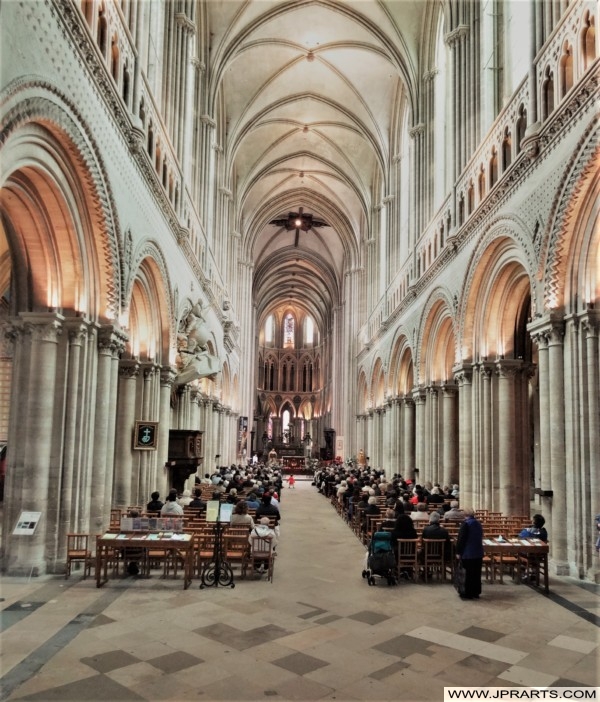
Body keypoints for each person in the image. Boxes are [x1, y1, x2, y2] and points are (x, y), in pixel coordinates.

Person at [455, 507, 484, 600]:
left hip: (468, 552)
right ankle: (476, 592)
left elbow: (461, 539)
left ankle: (467, 592)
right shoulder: (478, 523)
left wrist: (458, 551)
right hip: (478, 551)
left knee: (467, 573)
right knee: (476, 573)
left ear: (465, 515)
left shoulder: (466, 524)